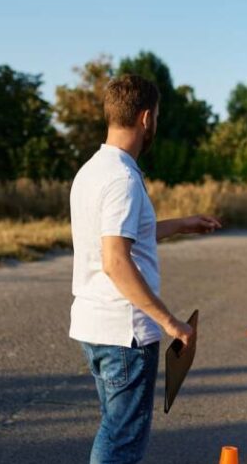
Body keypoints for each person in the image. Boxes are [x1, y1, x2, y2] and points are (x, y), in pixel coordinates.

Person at [69, 74, 221, 464]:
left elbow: (125, 235)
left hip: (95, 325)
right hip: (125, 333)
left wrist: (183, 223)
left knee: (114, 428)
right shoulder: (123, 179)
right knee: (122, 440)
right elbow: (115, 261)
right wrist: (171, 324)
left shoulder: (93, 170)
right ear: (146, 118)